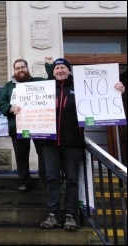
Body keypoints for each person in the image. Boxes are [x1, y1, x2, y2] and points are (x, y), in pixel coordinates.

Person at [40, 57, 126, 231]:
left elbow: (101, 95)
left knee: (72, 180)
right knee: (52, 179)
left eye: (63, 67)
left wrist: (117, 92)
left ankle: (71, 215)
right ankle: (53, 215)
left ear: (68, 70)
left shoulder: (80, 88)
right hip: (49, 142)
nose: (60, 71)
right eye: (57, 68)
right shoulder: (45, 89)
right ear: (53, 72)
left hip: (73, 142)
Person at [0, 58, 50, 193]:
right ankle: (24, 181)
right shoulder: (8, 86)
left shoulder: (39, 82)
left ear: (27, 68)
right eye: (17, 68)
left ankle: (46, 179)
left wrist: (50, 66)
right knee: (21, 155)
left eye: (23, 67)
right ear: (14, 71)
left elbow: (53, 82)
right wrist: (10, 108)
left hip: (39, 124)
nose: (20, 70)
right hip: (18, 125)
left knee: (44, 153)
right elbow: (1, 102)